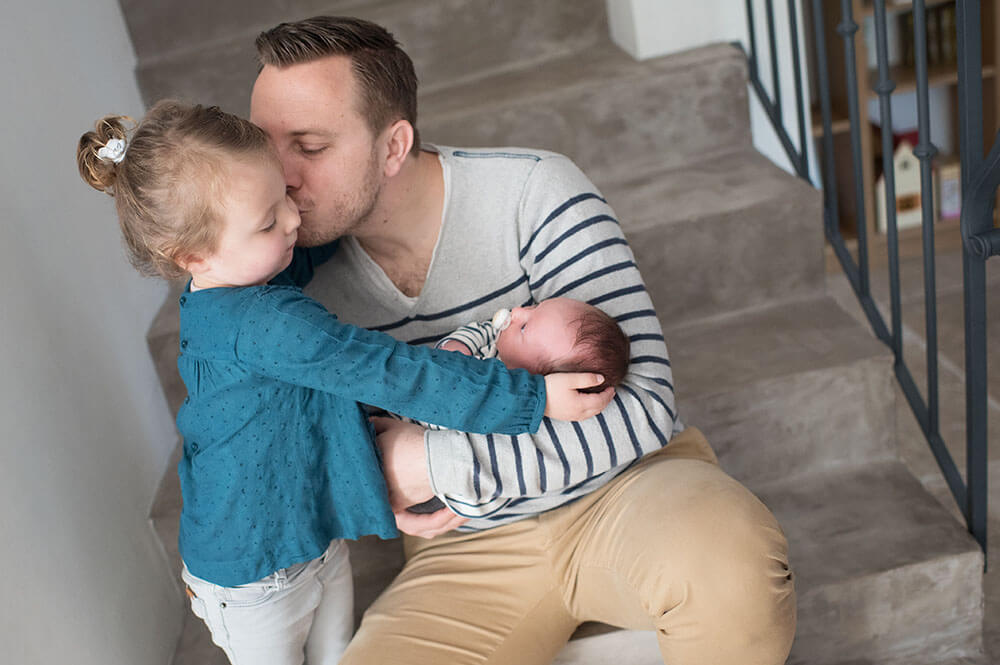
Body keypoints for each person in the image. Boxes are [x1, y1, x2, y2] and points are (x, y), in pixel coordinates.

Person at [250, 15, 797, 665]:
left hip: (626, 488)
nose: (277, 176)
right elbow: (306, 459)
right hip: (464, 543)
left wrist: (427, 462)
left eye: (308, 147)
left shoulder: (532, 191)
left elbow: (641, 403)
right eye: (262, 143)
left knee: (733, 566)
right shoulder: (281, 271)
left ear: (393, 146)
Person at [76, 101, 612, 665]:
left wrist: (355, 201)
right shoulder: (266, 324)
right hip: (249, 578)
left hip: (310, 534)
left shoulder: (224, 286)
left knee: (340, 652)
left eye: (284, 194)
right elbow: (390, 372)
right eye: (267, 220)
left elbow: (300, 270)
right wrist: (528, 396)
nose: (291, 219)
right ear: (192, 255)